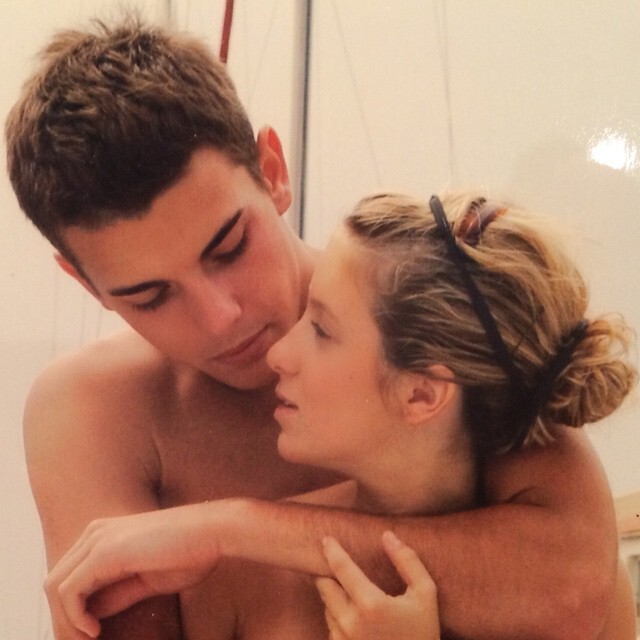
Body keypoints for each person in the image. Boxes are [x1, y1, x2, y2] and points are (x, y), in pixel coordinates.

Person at [3, 16, 628, 640]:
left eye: (230, 248)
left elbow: (572, 585)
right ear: (86, 284)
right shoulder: (96, 410)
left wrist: (230, 528)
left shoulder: (431, 308)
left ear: (272, 170)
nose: (221, 318)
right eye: (150, 297)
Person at [48, 191, 637, 640]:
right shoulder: (239, 576)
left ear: (422, 394)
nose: (278, 354)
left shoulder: (565, 585)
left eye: (322, 329)